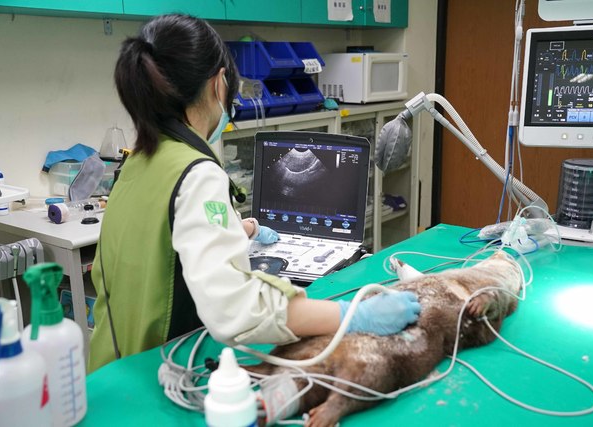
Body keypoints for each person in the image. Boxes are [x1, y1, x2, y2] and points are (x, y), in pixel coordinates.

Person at [88, 14, 421, 372]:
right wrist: (352, 315)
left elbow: (157, 245)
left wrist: (236, 229)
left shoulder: (137, 162)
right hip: (161, 374)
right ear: (219, 84)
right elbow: (235, 311)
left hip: (112, 371)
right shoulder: (197, 174)